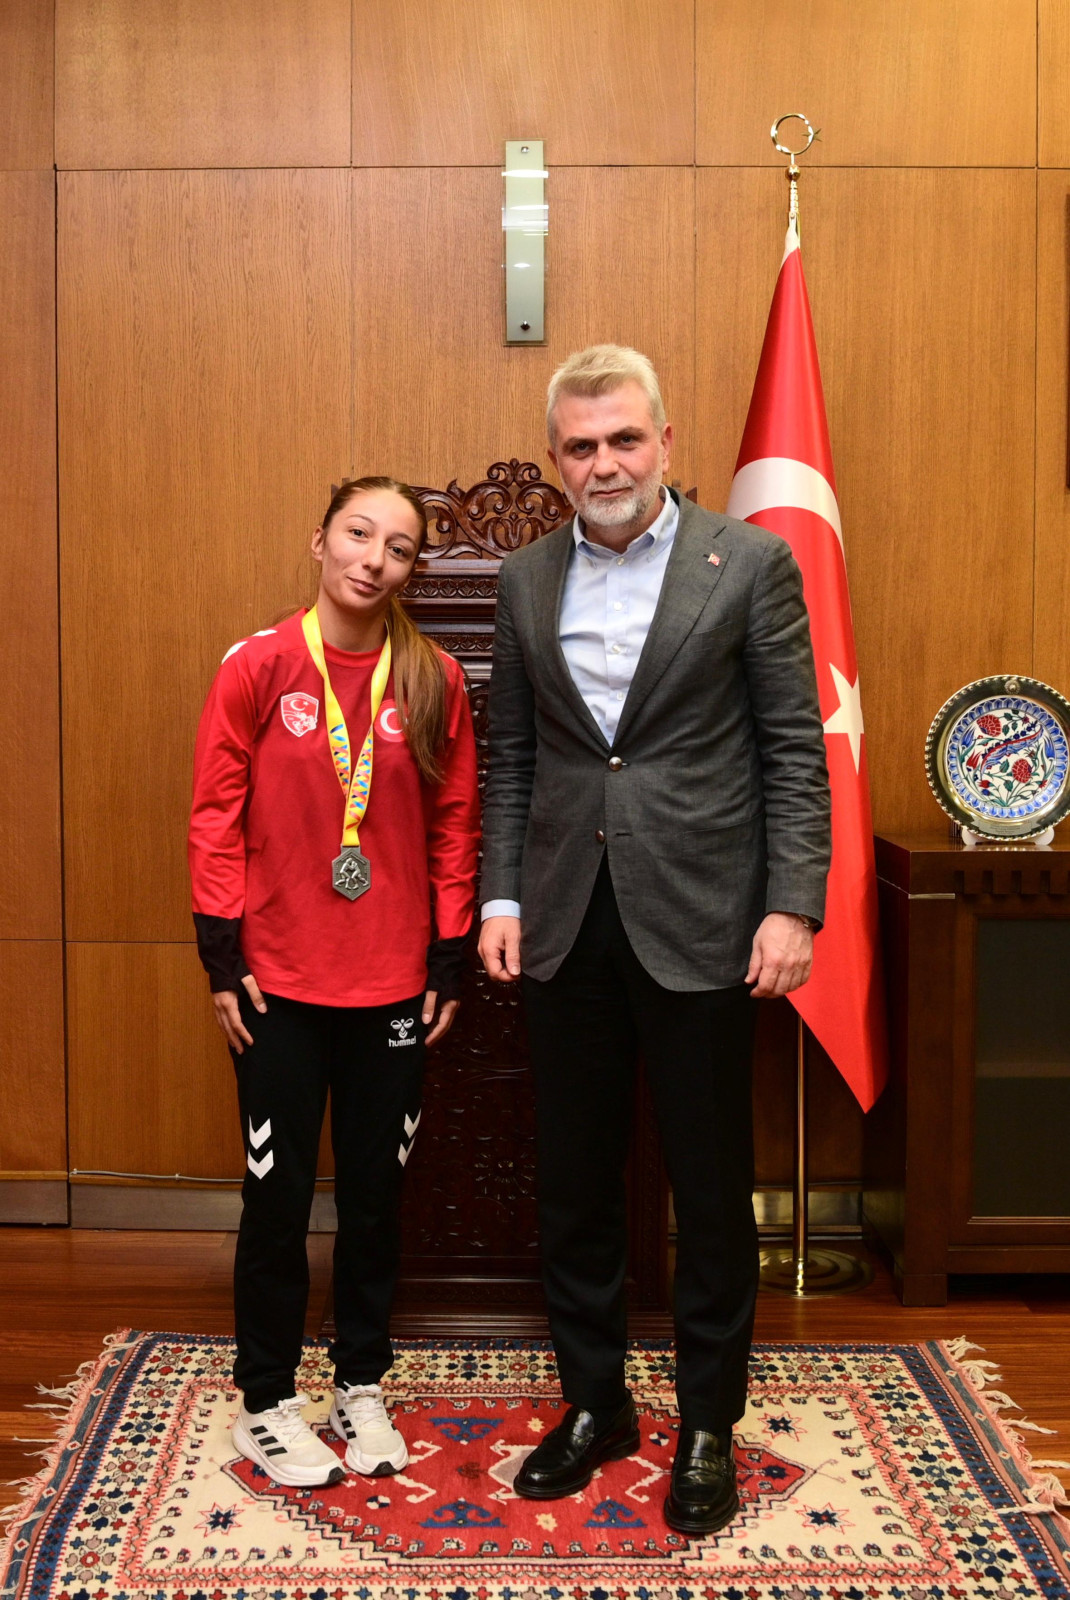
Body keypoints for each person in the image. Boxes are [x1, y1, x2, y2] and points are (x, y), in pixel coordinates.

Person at [478, 346, 831, 1534]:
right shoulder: (525, 577)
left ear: (665, 442)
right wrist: (499, 899)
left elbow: (792, 748)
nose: (604, 463)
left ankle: (707, 1424)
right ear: (555, 460)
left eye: (623, 438)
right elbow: (514, 755)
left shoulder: (750, 562)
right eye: (580, 446)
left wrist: (792, 904)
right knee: (575, 1184)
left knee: (709, 1190)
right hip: (562, 921)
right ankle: (596, 1406)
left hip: (705, 918)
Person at [189, 476, 480, 1489]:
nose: (374, 558)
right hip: (277, 986)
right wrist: (221, 957)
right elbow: (215, 816)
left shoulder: (434, 678)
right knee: (275, 1201)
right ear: (320, 541)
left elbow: (454, 824)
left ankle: (360, 1381)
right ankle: (265, 1401)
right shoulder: (259, 665)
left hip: (392, 988)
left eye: (398, 547)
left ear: (411, 570)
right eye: (359, 534)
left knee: (374, 1200)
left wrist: (448, 955)